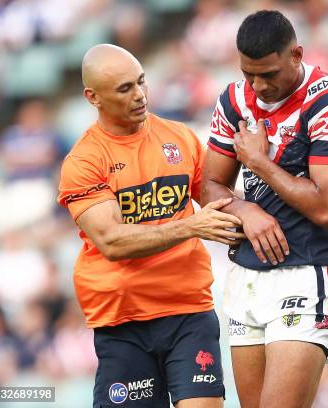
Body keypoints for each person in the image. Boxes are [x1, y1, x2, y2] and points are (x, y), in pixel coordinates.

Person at [57, 44, 245, 408]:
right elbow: (112, 241)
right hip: (123, 320)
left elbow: (217, 200)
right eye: (124, 88)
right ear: (92, 97)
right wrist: (191, 227)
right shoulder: (83, 160)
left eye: (141, 82)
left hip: (189, 309)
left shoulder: (180, 137)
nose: (140, 95)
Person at [201, 10, 328, 408]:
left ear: (296, 55)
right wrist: (243, 210)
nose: (258, 86)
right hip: (246, 275)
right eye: (248, 74)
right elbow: (208, 185)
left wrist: (259, 163)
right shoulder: (235, 99)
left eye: (269, 74)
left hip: (306, 275)